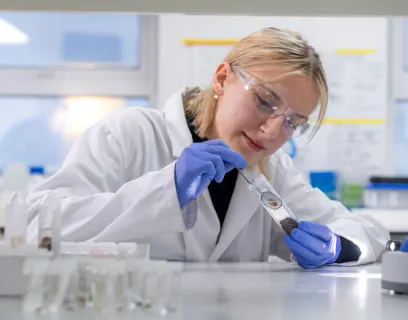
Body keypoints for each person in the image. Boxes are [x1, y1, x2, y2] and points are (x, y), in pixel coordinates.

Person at [26, 27, 389, 269]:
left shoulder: (272, 172)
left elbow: (368, 230)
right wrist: (167, 189)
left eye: (293, 122)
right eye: (265, 101)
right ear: (221, 79)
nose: (272, 130)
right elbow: (37, 226)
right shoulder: (131, 134)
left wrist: (339, 246)